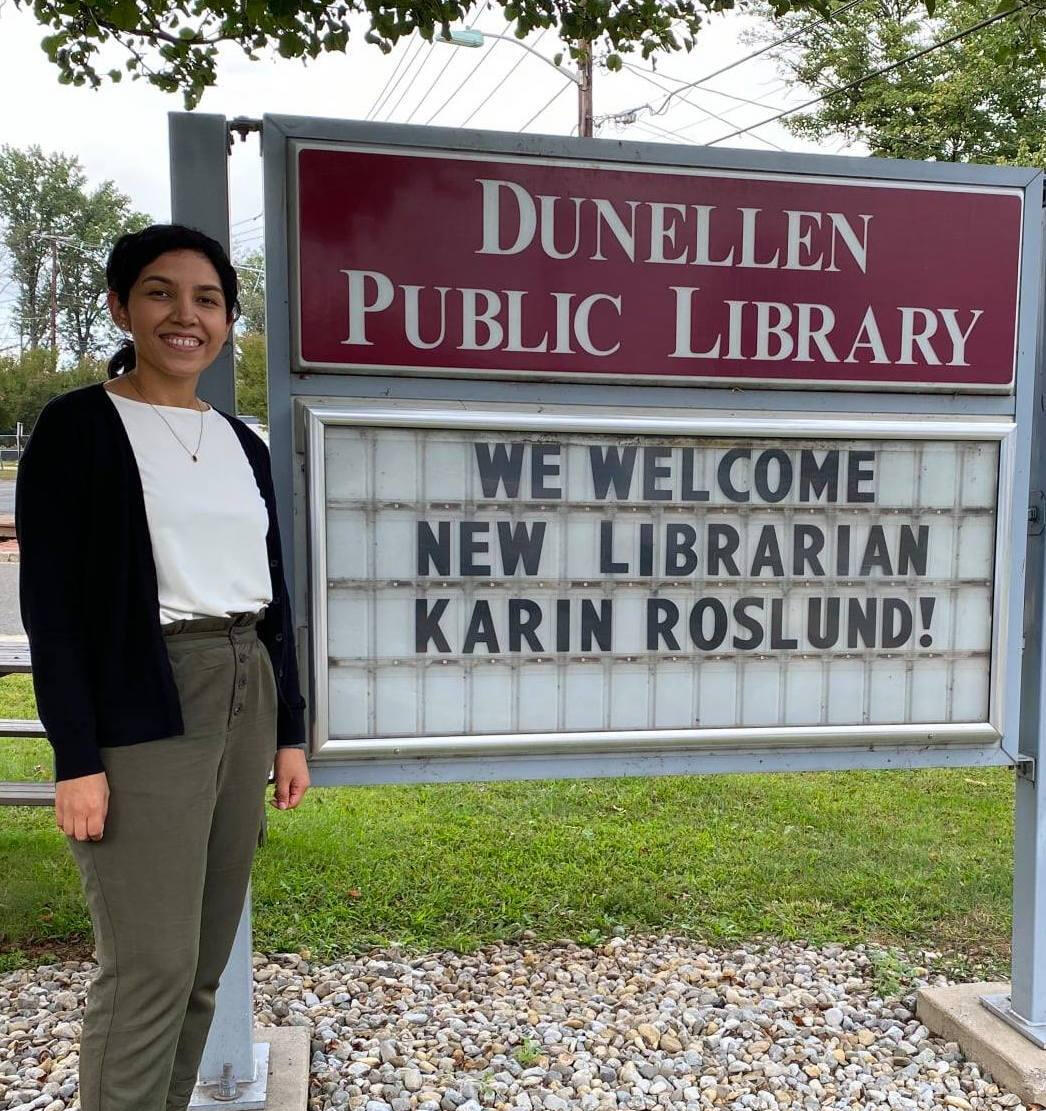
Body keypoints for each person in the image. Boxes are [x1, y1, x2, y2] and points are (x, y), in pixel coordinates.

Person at [15, 223, 311, 1111]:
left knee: (203, 965)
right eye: (160, 292)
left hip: (244, 686)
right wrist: (76, 758)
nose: (187, 315)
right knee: (150, 965)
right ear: (120, 306)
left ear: (227, 320)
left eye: (208, 299)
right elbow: (54, 608)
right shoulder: (79, 428)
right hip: (146, 702)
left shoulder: (240, 442)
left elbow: (275, 598)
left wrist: (288, 732)